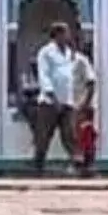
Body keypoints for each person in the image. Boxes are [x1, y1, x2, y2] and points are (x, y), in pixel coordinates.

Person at [31, 23, 76, 172]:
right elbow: (44, 76)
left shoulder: (69, 52)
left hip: (67, 100)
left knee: (70, 134)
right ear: (57, 35)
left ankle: (77, 164)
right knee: (43, 136)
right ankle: (38, 166)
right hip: (49, 102)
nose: (68, 36)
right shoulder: (46, 52)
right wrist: (53, 97)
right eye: (65, 33)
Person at [71, 40, 98, 173]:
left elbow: (91, 83)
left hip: (83, 105)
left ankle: (89, 165)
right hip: (71, 105)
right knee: (76, 137)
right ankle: (79, 164)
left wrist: (84, 104)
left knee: (86, 136)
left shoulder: (81, 61)